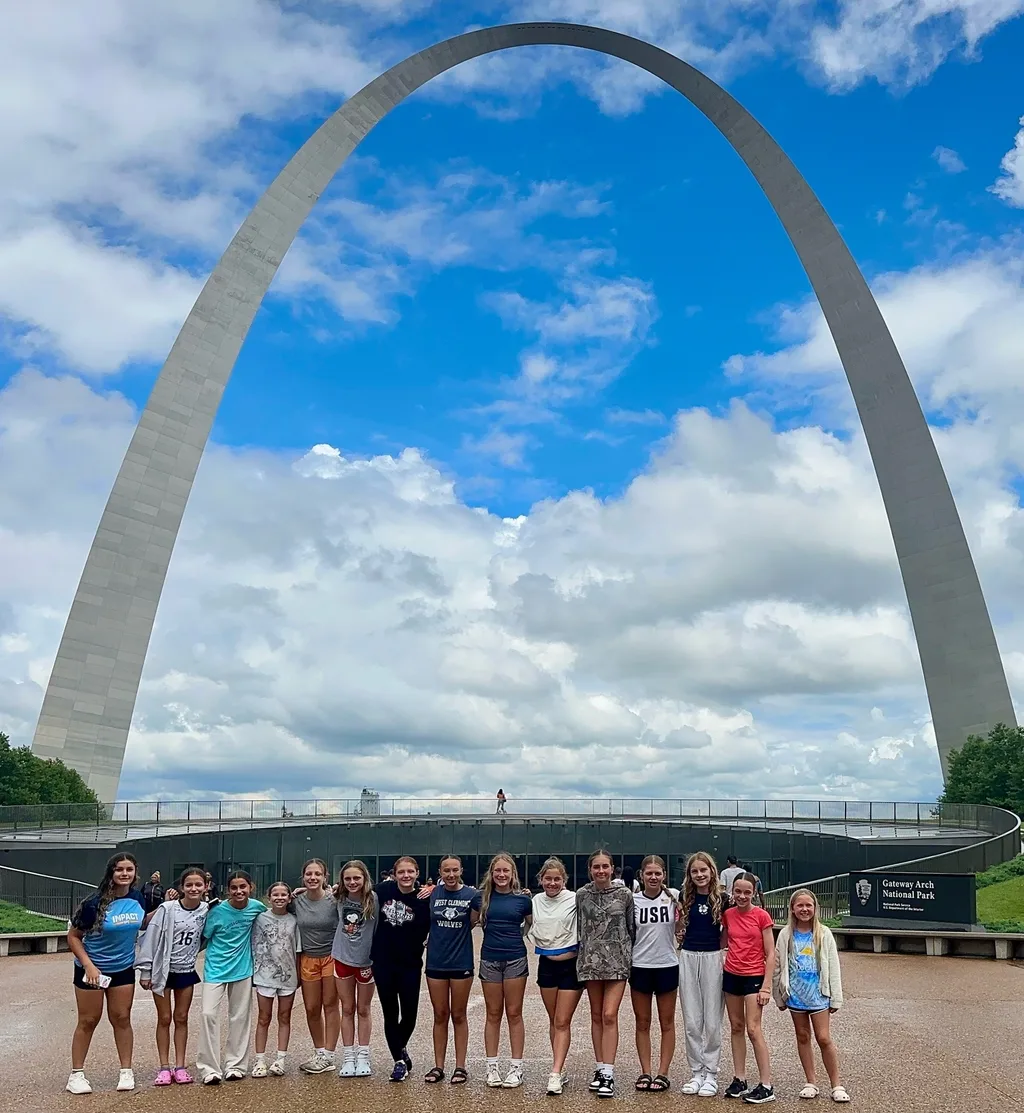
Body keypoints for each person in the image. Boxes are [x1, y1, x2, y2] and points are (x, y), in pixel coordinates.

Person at [66, 853, 147, 1095]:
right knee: (88, 1020)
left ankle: (126, 1071)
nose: (124, 874)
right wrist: (89, 965)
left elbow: (141, 924)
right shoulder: (94, 903)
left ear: (135, 872)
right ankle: (76, 1075)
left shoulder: (138, 898)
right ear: (110, 872)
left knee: (122, 1018)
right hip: (92, 969)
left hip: (122, 968)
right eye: (119, 869)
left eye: (129, 869)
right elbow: (73, 936)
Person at [773, 890, 849, 1103]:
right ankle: (811, 1081)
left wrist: (836, 997)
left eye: (809, 905)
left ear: (815, 908)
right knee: (803, 1036)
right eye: (800, 906)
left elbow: (833, 966)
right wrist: (779, 997)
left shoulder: (824, 933)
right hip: (796, 996)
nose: (804, 909)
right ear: (792, 909)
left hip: (819, 996)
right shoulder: (786, 935)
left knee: (823, 1038)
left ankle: (836, 1084)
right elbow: (778, 967)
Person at [136, 866, 209, 1085]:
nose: (194, 888)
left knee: (182, 1018)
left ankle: (180, 1065)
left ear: (206, 887)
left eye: (198, 884)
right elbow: (150, 938)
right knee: (164, 1018)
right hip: (163, 970)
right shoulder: (167, 909)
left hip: (186, 971)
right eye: (189, 885)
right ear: (181, 887)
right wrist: (146, 970)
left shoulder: (207, 909)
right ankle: (164, 1067)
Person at [196, 870, 266, 1085]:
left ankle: (235, 1065)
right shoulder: (216, 912)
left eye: (242, 887)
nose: (238, 891)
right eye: (234, 888)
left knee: (240, 1017)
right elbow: (202, 939)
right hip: (215, 969)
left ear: (250, 887)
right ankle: (209, 1068)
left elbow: (279, 912)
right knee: (208, 1014)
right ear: (228, 890)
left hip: (243, 970)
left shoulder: (257, 907)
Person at [577, 849, 635, 1099]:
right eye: (596, 867)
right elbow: (579, 926)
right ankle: (600, 1068)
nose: (601, 871)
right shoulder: (582, 895)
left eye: (605, 866)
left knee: (610, 1015)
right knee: (596, 1016)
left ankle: (609, 1073)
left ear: (612, 869)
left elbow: (632, 927)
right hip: (590, 962)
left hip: (617, 963)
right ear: (590, 869)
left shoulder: (624, 894)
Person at [372, 856, 432, 1081]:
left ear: (417, 873)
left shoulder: (425, 898)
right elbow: (353, 889)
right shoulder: (384, 890)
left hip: (410, 963)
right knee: (390, 1013)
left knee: (409, 1015)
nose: (406, 876)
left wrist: (436, 886)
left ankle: (401, 1046)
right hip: (383, 962)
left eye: (410, 872)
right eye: (401, 872)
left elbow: (454, 890)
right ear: (394, 874)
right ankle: (398, 1060)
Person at [423, 854, 479, 1084]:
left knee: (459, 1014)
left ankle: (460, 1066)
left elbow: (476, 920)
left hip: (461, 962)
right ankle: (438, 1066)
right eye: (446, 870)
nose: (451, 874)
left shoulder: (471, 895)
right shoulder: (432, 894)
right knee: (440, 1014)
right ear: (440, 872)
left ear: (461, 870)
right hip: (436, 962)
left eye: (455, 870)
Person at [479, 852, 533, 1089]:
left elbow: (532, 924)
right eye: (497, 871)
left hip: (515, 959)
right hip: (489, 959)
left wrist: (519, 936)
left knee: (514, 1013)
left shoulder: (523, 900)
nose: (501, 875)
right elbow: (470, 922)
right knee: (492, 1014)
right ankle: (492, 1067)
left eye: (506, 871)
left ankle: (516, 1067)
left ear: (513, 874)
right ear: (492, 873)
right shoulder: (482, 899)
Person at [530, 856, 583, 1096]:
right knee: (554, 1020)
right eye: (548, 878)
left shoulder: (575, 898)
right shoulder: (535, 900)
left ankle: (554, 1072)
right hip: (546, 964)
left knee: (562, 1021)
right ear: (541, 879)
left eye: (557, 879)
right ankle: (559, 1067)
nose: (552, 883)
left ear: (564, 880)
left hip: (571, 965)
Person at [721, 873, 775, 1104]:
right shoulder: (728, 914)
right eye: (738, 891)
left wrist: (767, 986)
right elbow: (723, 941)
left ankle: (766, 1084)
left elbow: (771, 953)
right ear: (732, 891)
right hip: (731, 974)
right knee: (736, 1027)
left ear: (753, 893)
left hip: (754, 976)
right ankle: (740, 1078)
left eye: (746, 892)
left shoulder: (761, 916)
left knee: (753, 1029)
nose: (742, 896)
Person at [677, 851, 728, 1097]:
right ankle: (696, 1072)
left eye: (703, 870)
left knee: (712, 1020)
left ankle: (711, 1073)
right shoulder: (683, 896)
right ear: (690, 874)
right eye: (695, 871)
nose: (699, 875)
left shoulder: (723, 899)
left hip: (712, 957)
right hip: (688, 956)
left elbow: (729, 929)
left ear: (711, 871)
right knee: (691, 1019)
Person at [629, 854, 679, 1093]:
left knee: (667, 1022)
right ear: (642, 875)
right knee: (642, 1022)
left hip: (667, 964)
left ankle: (663, 1072)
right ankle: (645, 1071)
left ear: (664, 875)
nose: (653, 877)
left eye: (657, 873)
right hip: (640, 965)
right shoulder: (633, 900)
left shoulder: (674, 897)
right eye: (649, 873)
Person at [292, 858, 341, 1074]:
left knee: (330, 1006)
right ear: (303, 877)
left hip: (331, 957)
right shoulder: (297, 900)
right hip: (308, 959)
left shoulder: (335, 899)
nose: (313, 878)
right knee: (312, 1008)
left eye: (317, 874)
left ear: (325, 877)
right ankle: (319, 1051)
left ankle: (329, 1054)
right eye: (309, 874)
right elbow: (277, 904)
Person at [333, 859, 379, 1078]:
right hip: (342, 958)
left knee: (363, 1009)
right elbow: (316, 892)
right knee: (347, 1008)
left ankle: (363, 1055)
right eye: (348, 878)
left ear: (364, 878)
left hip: (366, 961)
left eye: (356, 878)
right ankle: (348, 1056)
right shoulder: (337, 898)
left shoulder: (374, 899)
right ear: (342, 880)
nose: (352, 882)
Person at [251, 881, 302, 1078]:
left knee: (284, 1017)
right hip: (264, 975)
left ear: (289, 898)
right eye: (276, 894)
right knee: (264, 1017)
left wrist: (298, 977)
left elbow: (297, 950)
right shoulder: (260, 918)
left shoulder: (294, 921)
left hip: (288, 976)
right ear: (269, 897)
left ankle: (280, 1059)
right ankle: (260, 1060)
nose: (280, 898)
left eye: (284, 895)